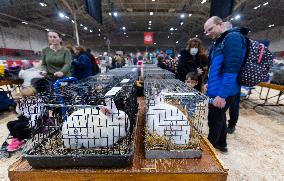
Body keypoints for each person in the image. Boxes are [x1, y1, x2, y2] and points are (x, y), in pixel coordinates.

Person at [204, 16, 248, 152]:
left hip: (225, 90)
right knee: (220, 117)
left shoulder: (232, 38)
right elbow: (217, 67)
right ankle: (221, 144)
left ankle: (209, 150)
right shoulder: (221, 40)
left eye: (210, 29)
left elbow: (231, 70)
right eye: (205, 31)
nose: (208, 33)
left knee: (214, 119)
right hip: (218, 88)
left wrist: (222, 95)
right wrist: (208, 83)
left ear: (220, 24)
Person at [222, 21, 240, 134]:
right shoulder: (230, 39)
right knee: (231, 105)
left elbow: (232, 65)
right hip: (232, 80)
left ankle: (231, 125)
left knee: (232, 105)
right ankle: (230, 125)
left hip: (232, 80)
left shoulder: (233, 37)